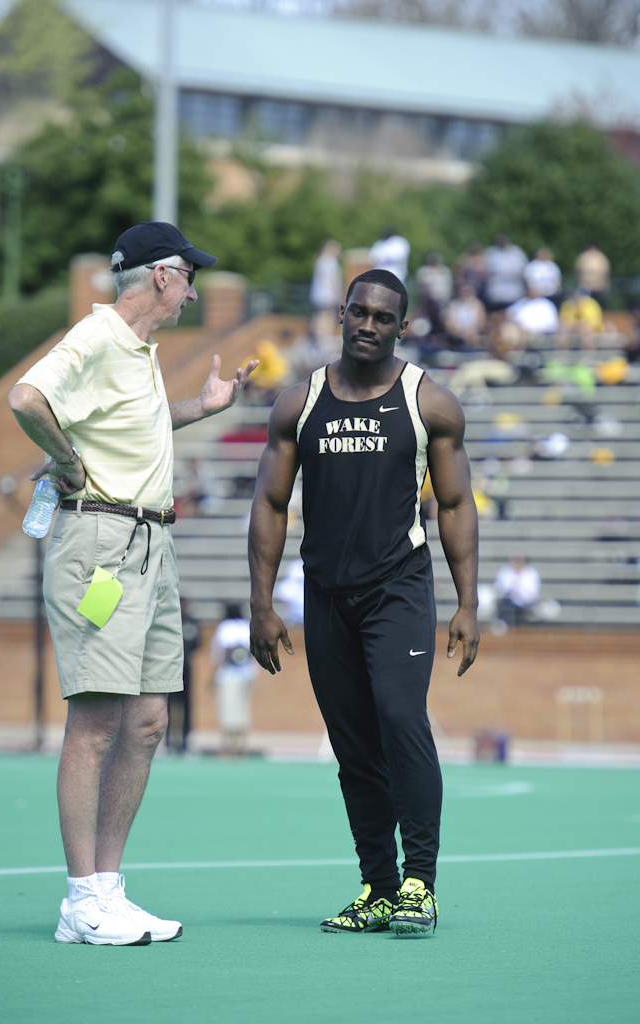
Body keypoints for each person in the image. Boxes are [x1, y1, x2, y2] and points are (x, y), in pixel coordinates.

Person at [8, 221, 258, 946]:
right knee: (96, 724)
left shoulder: (139, 352)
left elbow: (134, 425)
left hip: (151, 541)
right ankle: (80, 901)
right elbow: (28, 400)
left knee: (147, 723)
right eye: (188, 278)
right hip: (101, 544)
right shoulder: (95, 338)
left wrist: (203, 410)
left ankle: (108, 892)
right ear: (161, 276)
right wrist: (65, 460)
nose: (192, 292)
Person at [248, 268, 479, 938]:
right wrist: (261, 604)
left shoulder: (429, 403)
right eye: (358, 313)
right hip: (324, 595)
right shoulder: (298, 402)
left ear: (402, 325)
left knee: (399, 715)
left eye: (383, 317)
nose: (369, 325)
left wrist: (467, 602)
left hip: (397, 590)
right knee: (352, 747)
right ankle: (377, 886)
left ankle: (419, 884)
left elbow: (456, 504)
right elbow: (268, 503)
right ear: (341, 315)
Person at [210, 603, 258, 755]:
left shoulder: (226, 627)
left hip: (229, 674)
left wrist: (214, 673)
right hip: (247, 673)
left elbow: (227, 649)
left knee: (228, 709)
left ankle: (229, 745)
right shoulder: (245, 626)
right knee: (243, 708)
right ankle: (242, 744)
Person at [166, 598, 201, 752]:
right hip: (170, 668)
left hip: (186, 669)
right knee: (168, 706)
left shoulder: (192, 623)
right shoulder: (169, 621)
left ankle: (185, 741)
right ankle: (168, 740)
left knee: (186, 705)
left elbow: (197, 643)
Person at [483, 234, 528, 312]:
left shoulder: (517, 253)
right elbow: (484, 271)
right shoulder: (490, 253)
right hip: (495, 294)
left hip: (514, 293)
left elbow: (524, 271)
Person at [493, 556, 540, 627]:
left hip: (525, 603)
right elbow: (500, 588)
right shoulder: (505, 571)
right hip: (508, 602)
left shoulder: (531, 572)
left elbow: (532, 592)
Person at [309, 241, 344, 339]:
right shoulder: (331, 262)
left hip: (318, 293)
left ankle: (317, 337)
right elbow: (333, 280)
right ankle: (325, 336)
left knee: (319, 315)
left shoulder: (320, 260)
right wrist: (338, 295)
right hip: (328, 294)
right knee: (328, 316)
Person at [415, 251, 453, 337]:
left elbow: (449, 287)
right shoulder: (424, 271)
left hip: (442, 301)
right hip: (428, 301)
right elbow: (422, 287)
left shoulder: (445, 271)